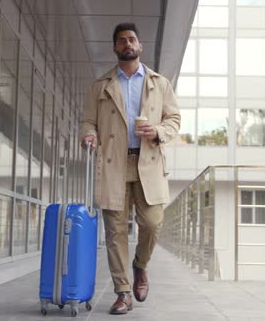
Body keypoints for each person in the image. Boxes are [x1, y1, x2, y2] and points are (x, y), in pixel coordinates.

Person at [79, 22, 180, 315]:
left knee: (152, 223)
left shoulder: (159, 83)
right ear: (114, 48)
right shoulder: (100, 86)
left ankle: (140, 265)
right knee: (115, 232)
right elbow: (88, 121)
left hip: (148, 161)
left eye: (131, 39)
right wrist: (89, 134)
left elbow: (174, 119)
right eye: (121, 41)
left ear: (140, 46)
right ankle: (123, 291)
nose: (127, 44)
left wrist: (158, 131)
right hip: (113, 164)